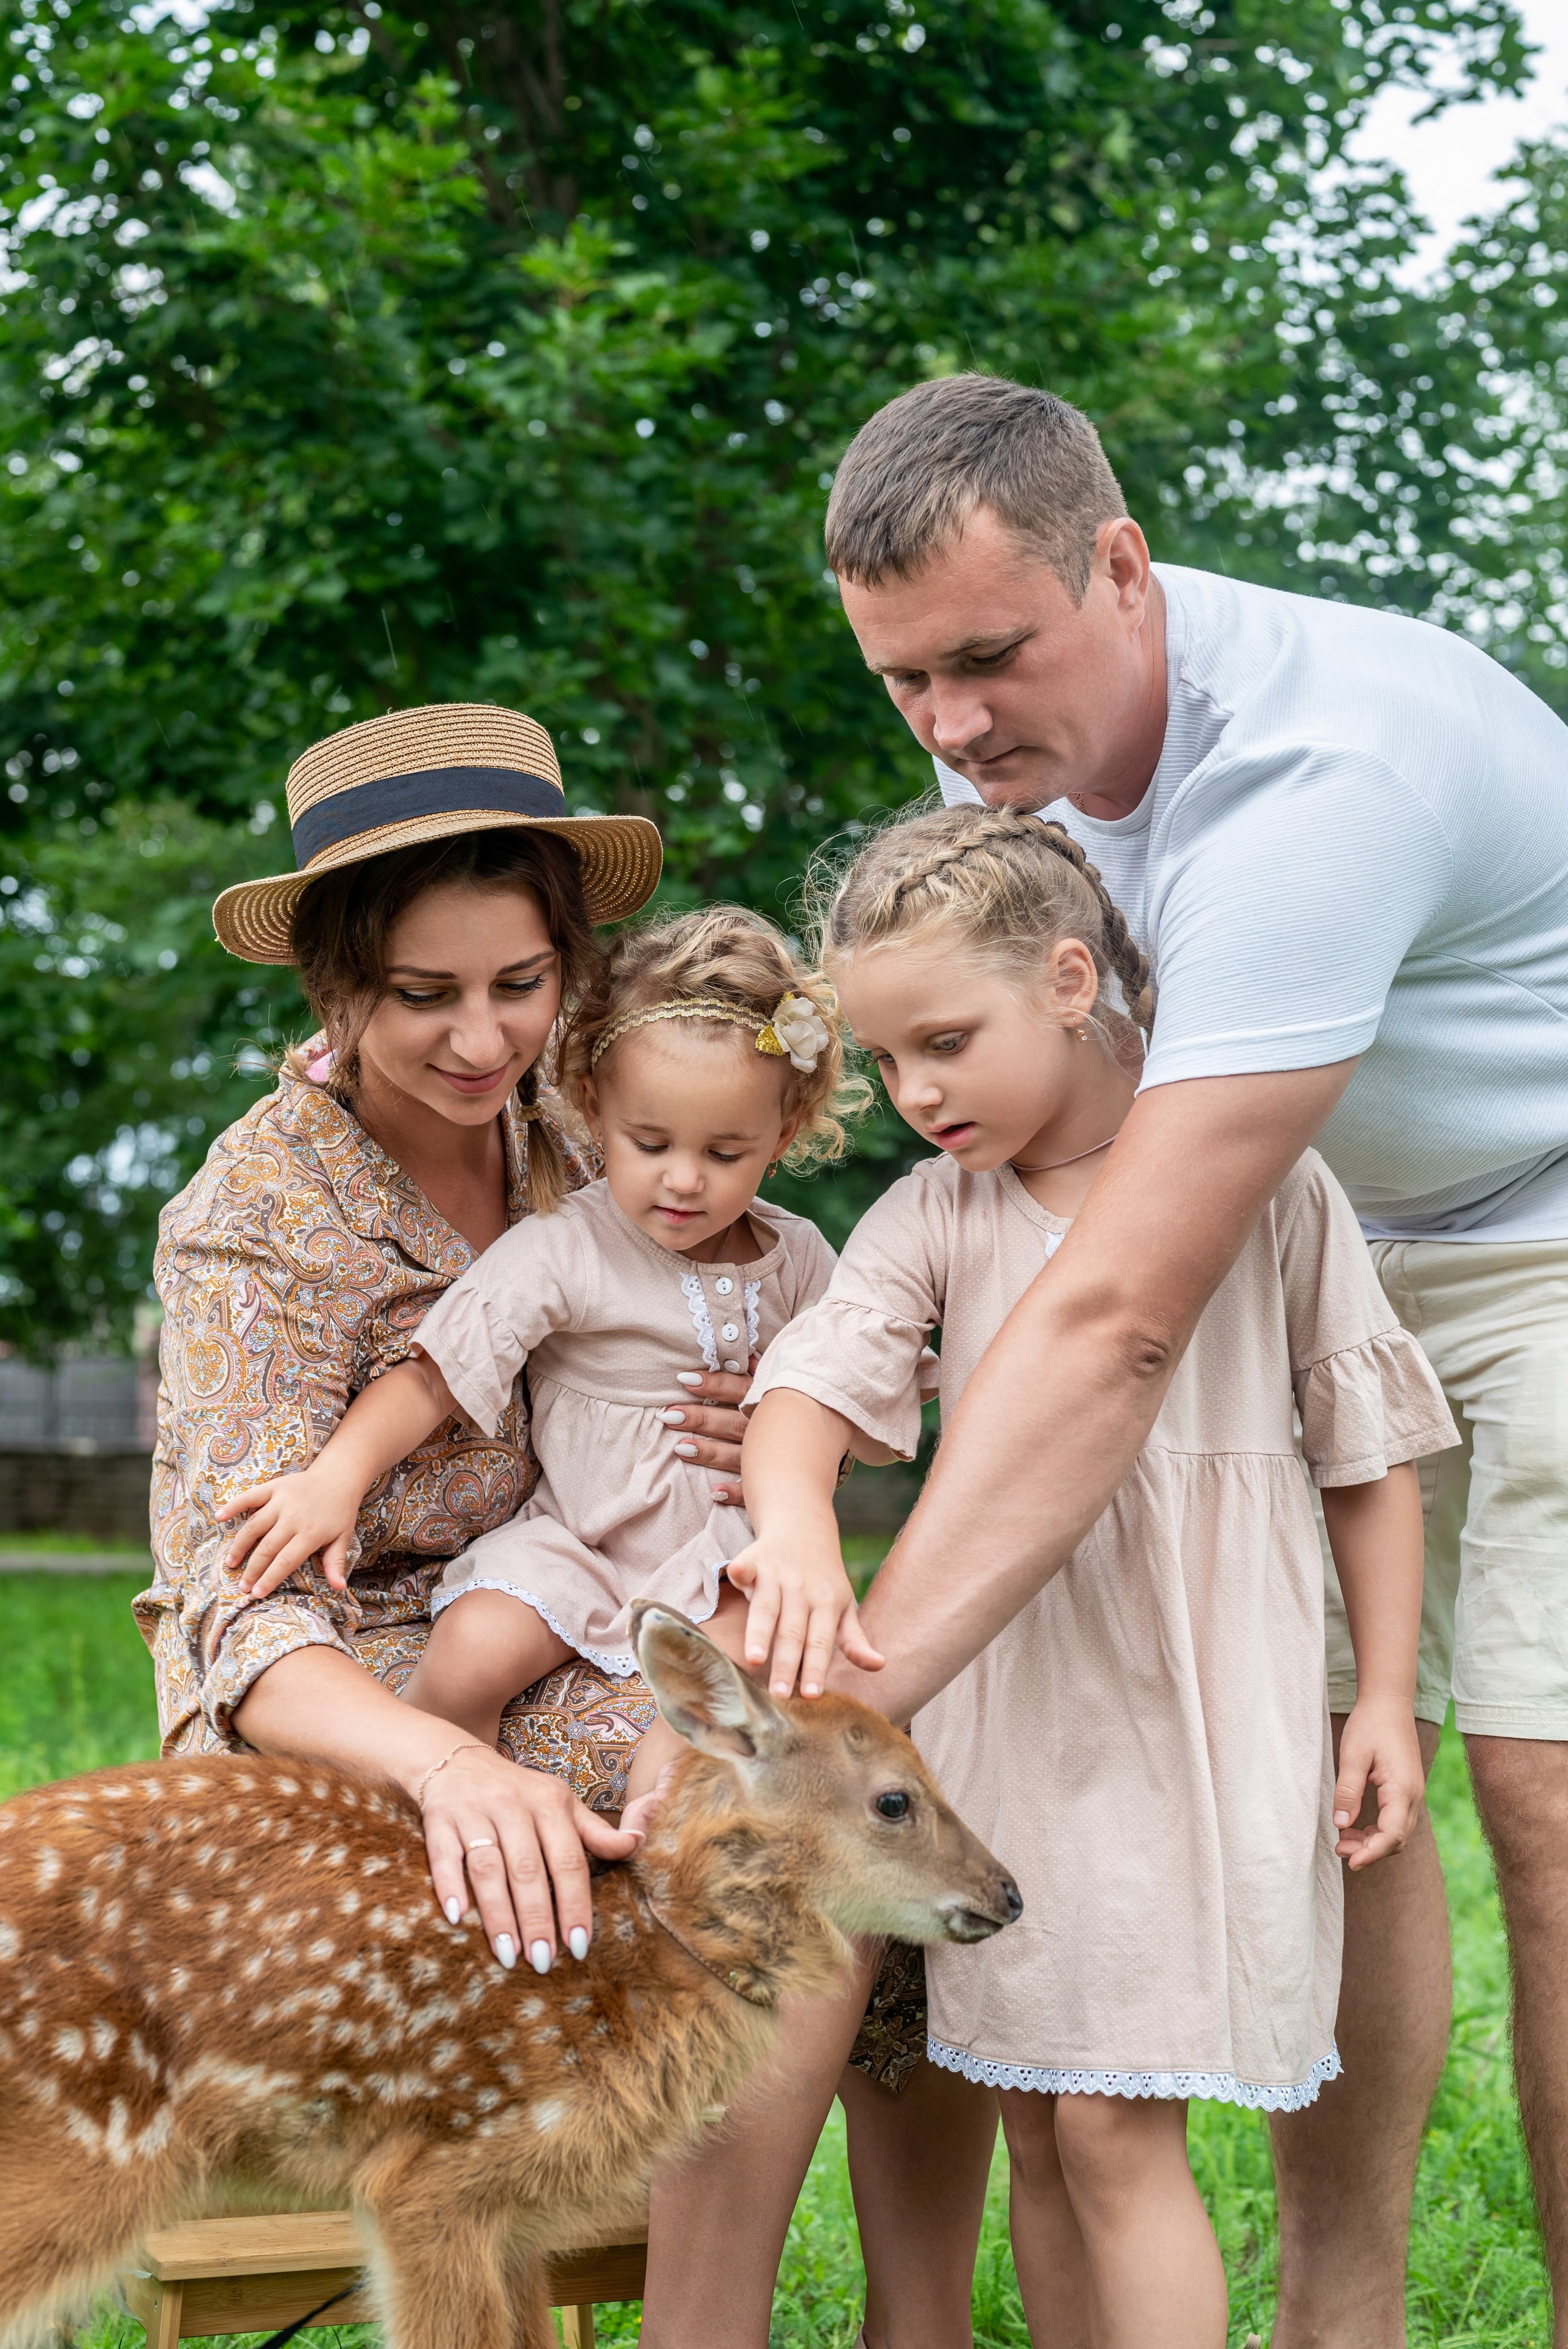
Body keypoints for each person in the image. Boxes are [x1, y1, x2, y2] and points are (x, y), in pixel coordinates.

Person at [729, 801, 1455, 2348]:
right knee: (1044, 2122)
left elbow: (1366, 1456)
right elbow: (813, 1382)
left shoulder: (1254, 1184)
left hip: (1197, 1722)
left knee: (1122, 2133)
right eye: (887, 1063)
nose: (916, 1094)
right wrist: (792, 1512)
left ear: (1069, 979)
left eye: (945, 1041)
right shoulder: (936, 1212)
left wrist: (1381, 1693)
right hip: (1016, 1732)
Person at [137, 701, 759, 1981]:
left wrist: (757, 1426)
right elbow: (243, 1628)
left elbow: (737, 1302)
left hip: (598, 1605)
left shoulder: (597, 1131)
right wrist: (448, 1762)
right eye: (423, 996)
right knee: (698, 1832)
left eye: (520, 986)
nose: (482, 1043)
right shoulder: (254, 1221)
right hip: (349, 1697)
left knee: (830, 1796)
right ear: (334, 987)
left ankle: (772, 2183)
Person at [212, 905, 881, 1845]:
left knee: (728, 1692)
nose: (683, 1181)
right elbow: (438, 1372)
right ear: (595, 1112)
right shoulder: (571, 1241)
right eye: (651, 1145)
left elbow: (856, 1385)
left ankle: (657, 1824)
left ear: (785, 1134)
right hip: (573, 1537)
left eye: (724, 1154)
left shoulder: (801, 1256)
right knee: (475, 1648)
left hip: (721, 1551)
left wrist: (794, 1429)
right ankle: (435, 1828)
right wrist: (336, 1477)